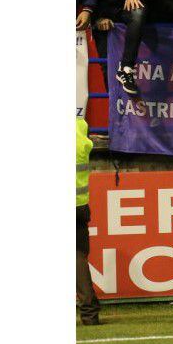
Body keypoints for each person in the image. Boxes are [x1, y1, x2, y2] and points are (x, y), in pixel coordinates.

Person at [76, 116, 100, 325]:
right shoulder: (79, 126)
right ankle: (90, 310)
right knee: (79, 256)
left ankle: (89, 311)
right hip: (79, 205)